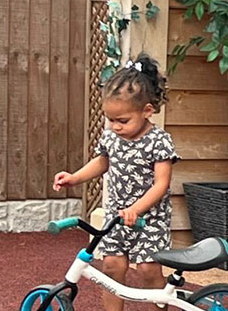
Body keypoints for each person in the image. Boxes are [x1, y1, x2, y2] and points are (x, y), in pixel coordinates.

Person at [53, 53, 180, 311]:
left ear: (147, 111)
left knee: (147, 269)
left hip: (150, 220)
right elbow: (102, 162)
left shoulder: (159, 141)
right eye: (110, 120)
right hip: (116, 216)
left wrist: (137, 209)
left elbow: (161, 184)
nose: (115, 126)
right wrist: (74, 177)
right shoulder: (111, 137)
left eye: (122, 121)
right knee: (112, 267)